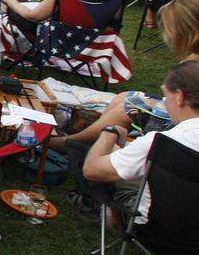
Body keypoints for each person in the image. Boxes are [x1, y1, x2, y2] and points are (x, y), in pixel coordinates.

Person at [53, 0, 199, 153]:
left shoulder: (193, 62)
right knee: (123, 97)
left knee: (127, 108)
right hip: (183, 106)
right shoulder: (192, 56)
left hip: (188, 121)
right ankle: (93, 138)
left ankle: (69, 142)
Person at [82, 56, 199, 225]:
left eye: (166, 98)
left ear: (179, 97)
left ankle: (108, 217)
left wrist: (109, 132)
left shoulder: (161, 142)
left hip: (156, 231)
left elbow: (92, 170)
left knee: (116, 156)